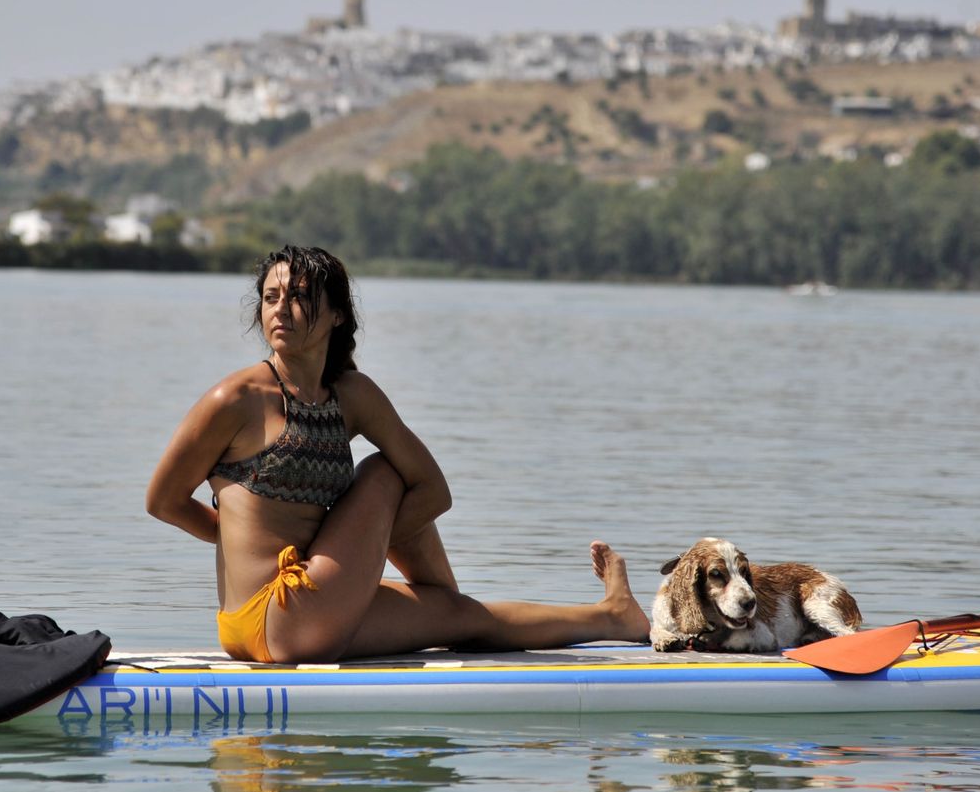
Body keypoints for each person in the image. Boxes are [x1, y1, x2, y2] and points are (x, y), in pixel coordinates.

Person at [145, 245, 650, 663]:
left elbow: (436, 493)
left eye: (298, 296)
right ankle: (442, 597)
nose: (280, 308)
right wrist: (237, 538)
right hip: (278, 613)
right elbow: (163, 500)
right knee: (384, 471)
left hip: (304, 614)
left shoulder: (353, 395)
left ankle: (614, 616)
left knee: (464, 617)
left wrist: (350, 554)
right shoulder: (235, 399)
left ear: (337, 314)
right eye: (271, 296)